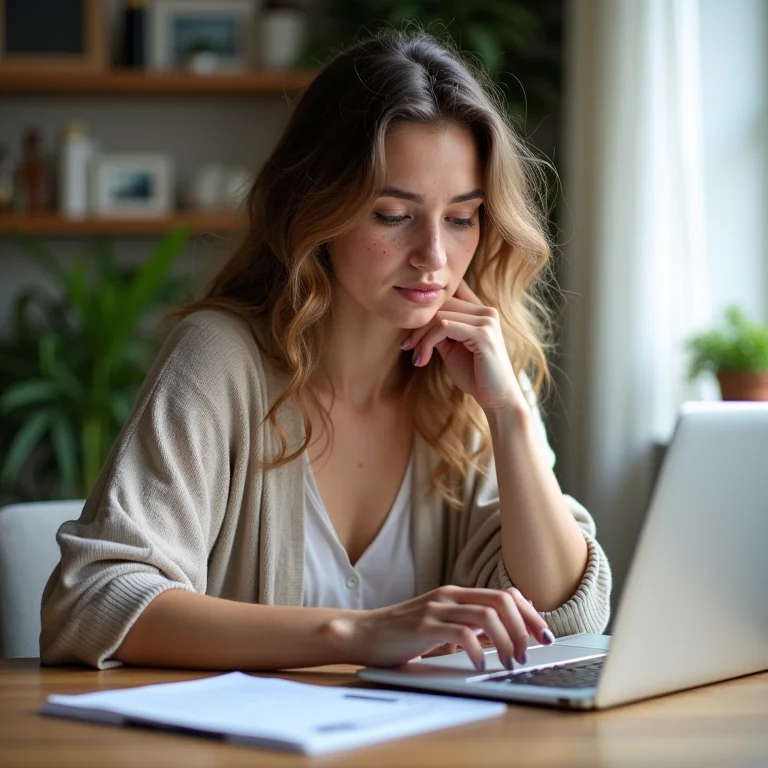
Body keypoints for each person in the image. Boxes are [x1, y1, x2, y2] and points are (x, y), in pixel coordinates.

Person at [40, 30, 611, 674]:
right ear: (318, 209)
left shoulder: (476, 377)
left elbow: (565, 616)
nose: (434, 257)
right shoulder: (222, 361)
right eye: (393, 215)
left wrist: (509, 415)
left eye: (461, 218)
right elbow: (92, 600)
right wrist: (357, 633)